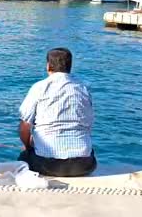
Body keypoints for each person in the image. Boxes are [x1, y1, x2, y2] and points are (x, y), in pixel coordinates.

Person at [18, 48, 96, 177]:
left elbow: (24, 127)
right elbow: (88, 124)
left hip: (47, 164)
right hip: (84, 164)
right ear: (70, 67)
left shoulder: (39, 87)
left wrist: (27, 146)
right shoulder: (83, 88)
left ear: (48, 66)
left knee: (24, 156)